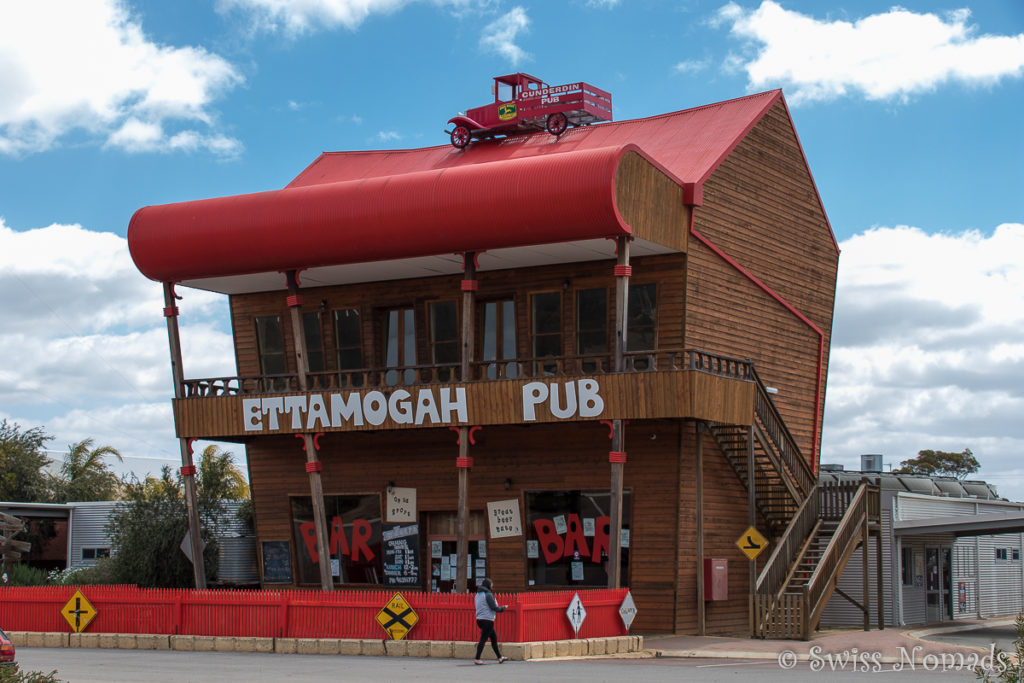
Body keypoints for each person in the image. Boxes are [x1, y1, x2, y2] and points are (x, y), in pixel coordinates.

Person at [473, 577, 508, 664]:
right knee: (483, 639)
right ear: (488, 585)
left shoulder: (478, 594)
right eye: (491, 585)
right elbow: (494, 607)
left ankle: (500, 657)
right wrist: (503, 608)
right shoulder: (488, 594)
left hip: (479, 619)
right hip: (487, 620)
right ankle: (477, 658)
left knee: (494, 638)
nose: (492, 586)